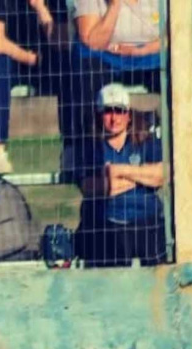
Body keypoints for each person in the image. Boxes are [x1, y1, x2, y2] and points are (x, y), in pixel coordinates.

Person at [75, 84, 166, 268]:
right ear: (99, 115)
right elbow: (93, 187)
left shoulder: (145, 141)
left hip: (146, 219)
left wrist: (117, 171)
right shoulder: (92, 146)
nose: (114, 118)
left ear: (129, 114)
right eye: (108, 111)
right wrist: (140, 176)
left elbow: (160, 177)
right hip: (108, 222)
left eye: (120, 111)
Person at [0, 0, 73, 174]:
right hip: (10, 58)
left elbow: (62, 42)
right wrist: (30, 58)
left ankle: (72, 149)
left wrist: (41, 8)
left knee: (70, 66)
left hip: (45, 61)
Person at [70, 0, 162, 168]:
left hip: (152, 56)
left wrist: (139, 51)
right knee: (87, 71)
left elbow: (175, 35)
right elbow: (93, 41)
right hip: (105, 58)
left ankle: (186, 151)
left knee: (179, 69)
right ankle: (90, 158)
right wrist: (114, 6)